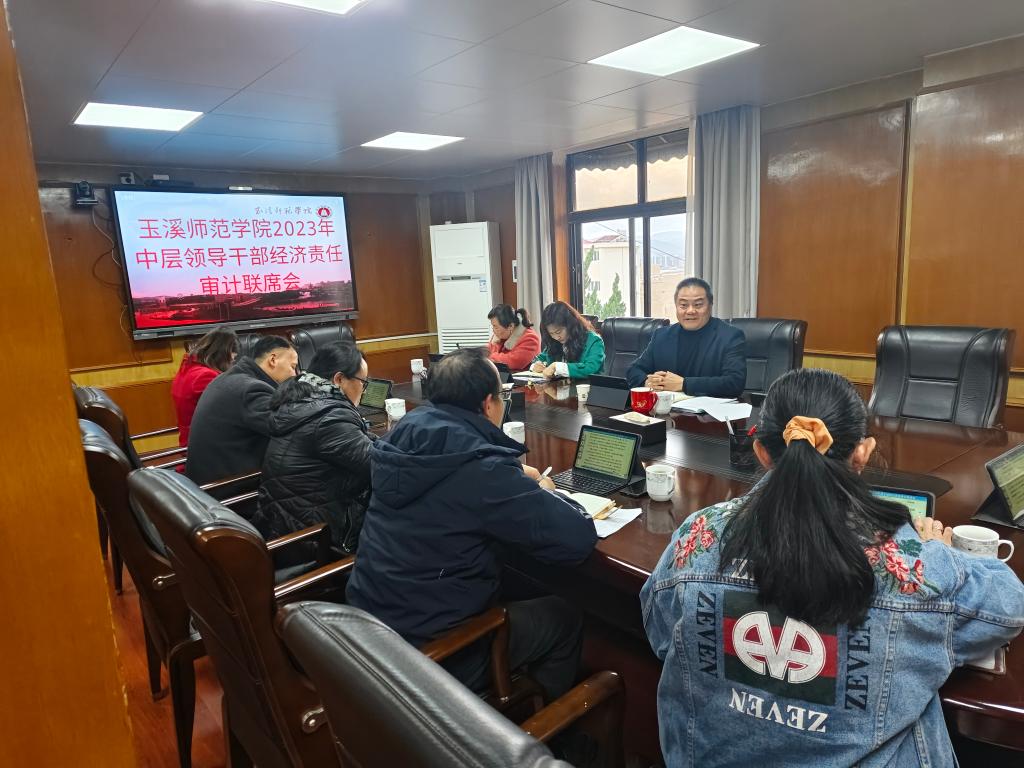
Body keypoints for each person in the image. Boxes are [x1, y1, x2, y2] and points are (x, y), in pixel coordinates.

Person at [642, 368, 1024, 767]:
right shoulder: (910, 564)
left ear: (761, 453)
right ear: (863, 453)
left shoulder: (699, 536)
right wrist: (938, 549)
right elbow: (1007, 608)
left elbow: (660, 632)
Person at [347, 348, 597, 700]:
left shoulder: (400, 438)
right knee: (563, 616)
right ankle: (542, 722)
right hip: (434, 653)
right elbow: (576, 538)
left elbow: (454, 493)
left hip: (370, 628)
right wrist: (541, 487)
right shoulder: (481, 469)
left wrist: (508, 474)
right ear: (488, 404)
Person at [254, 341, 375, 554]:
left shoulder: (300, 400)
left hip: (281, 524)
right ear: (339, 379)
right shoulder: (329, 417)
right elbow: (379, 465)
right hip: (315, 540)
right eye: (363, 382)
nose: (364, 391)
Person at [185, 335, 298, 486]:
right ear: (273, 360)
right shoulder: (252, 389)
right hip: (227, 488)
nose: (295, 375)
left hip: (205, 481)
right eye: (293, 367)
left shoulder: (230, 378)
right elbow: (289, 430)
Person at [625, 277, 746, 396]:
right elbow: (633, 370)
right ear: (676, 306)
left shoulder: (730, 336)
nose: (690, 311)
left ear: (710, 305)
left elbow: (735, 382)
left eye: (698, 305)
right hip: (667, 407)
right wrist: (647, 382)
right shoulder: (661, 336)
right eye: (683, 305)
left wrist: (684, 384)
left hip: (709, 408)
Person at [171, 327, 238, 448]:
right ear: (222, 353)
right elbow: (230, 413)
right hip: (205, 446)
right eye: (232, 355)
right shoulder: (205, 376)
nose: (233, 359)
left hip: (193, 441)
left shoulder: (188, 369)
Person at [529, 301, 605, 379]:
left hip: (588, 386)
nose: (556, 337)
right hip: (559, 386)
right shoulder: (555, 342)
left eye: (558, 332)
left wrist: (557, 367)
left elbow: (591, 368)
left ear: (570, 325)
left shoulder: (594, 341)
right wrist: (535, 365)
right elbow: (540, 358)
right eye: (551, 334)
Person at [486, 304, 541, 372]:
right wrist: (495, 344)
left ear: (510, 326)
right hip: (503, 376)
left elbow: (513, 362)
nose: (493, 330)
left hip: (522, 378)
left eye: (496, 327)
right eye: (493, 326)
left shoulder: (530, 338)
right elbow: (485, 354)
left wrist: (491, 353)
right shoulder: (500, 335)